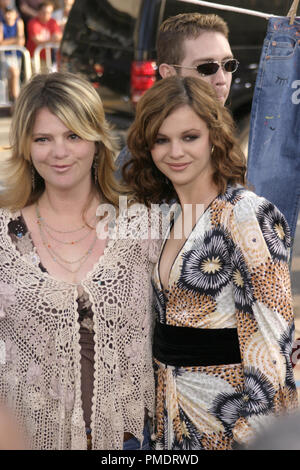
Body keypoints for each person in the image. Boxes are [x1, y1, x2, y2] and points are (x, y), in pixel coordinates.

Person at [123, 75, 298, 450]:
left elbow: (272, 350)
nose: (175, 152)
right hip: (172, 422)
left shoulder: (248, 215)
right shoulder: (167, 215)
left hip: (229, 424)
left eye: (190, 137)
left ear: (214, 137)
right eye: (161, 140)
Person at [0, 72, 159, 450]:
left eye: (73, 135)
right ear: (25, 146)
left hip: (130, 442)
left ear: (97, 140)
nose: (59, 152)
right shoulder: (4, 235)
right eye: (43, 139)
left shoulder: (142, 224)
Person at [116, 12, 238, 178]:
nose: (221, 80)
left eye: (228, 65)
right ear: (170, 73)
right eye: (206, 68)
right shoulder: (140, 160)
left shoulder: (226, 143)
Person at [26, 1, 61, 71]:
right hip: (35, 57)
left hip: (49, 58)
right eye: (44, 12)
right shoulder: (33, 23)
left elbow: (59, 37)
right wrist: (52, 39)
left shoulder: (53, 22)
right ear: (39, 12)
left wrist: (48, 40)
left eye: (49, 12)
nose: (47, 15)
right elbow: (37, 41)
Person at [0, 6, 25, 102]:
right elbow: (1, 42)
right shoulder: (1, 24)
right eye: (7, 13)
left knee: (15, 76)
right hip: (4, 56)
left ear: (16, 15)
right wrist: (15, 40)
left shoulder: (19, 23)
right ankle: (14, 99)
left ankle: (12, 99)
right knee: (13, 73)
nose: (8, 15)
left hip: (16, 55)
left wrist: (8, 41)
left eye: (11, 13)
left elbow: (21, 41)